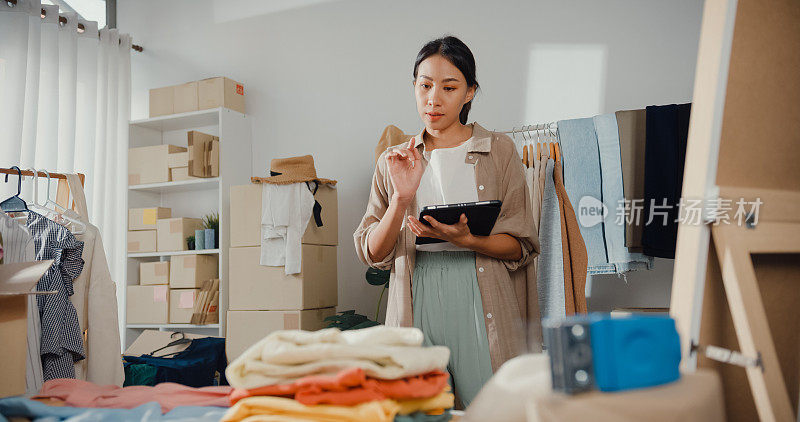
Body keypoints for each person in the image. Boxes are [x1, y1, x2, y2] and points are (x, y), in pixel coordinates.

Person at [354, 35, 538, 407]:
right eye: (424, 86)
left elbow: (522, 243)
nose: (433, 99)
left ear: (469, 92)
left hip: (481, 294)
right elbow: (371, 252)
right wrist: (401, 200)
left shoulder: (499, 150)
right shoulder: (392, 160)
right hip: (416, 295)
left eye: (449, 87)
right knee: (418, 412)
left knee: (491, 410)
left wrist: (471, 241)